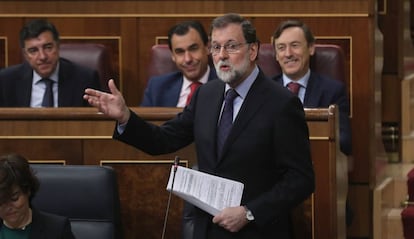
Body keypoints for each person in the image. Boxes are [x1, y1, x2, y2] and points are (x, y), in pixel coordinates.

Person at [84, 13, 315, 239]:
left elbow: (301, 179)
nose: (222, 55)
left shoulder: (282, 103)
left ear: (253, 50)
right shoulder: (206, 94)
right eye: (216, 47)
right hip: (209, 229)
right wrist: (126, 117)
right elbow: (164, 139)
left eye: (231, 46)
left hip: (258, 231)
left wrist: (250, 212)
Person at [271, 19, 353, 226]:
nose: (288, 53)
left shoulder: (332, 90)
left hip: (316, 180)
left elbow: (344, 140)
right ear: (275, 55)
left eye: (295, 45)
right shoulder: (263, 91)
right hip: (271, 181)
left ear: (311, 47)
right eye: (281, 48)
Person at [0, 19, 101, 107]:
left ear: (57, 46)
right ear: (25, 55)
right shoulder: (6, 81)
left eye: (48, 47)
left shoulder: (85, 79)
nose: (42, 57)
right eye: (33, 50)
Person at [141, 20, 217, 107]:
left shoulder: (225, 85)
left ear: (207, 48)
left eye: (193, 49)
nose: (188, 59)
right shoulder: (157, 87)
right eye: (180, 52)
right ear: (173, 56)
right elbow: (145, 119)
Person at [0, 153, 75, 238]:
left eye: (14, 198)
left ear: (27, 190)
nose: (8, 207)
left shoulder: (57, 230)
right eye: (1, 201)